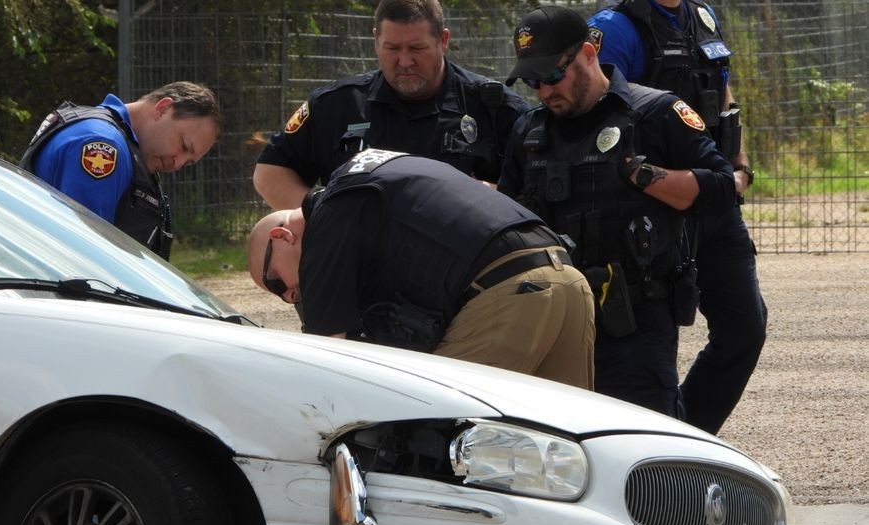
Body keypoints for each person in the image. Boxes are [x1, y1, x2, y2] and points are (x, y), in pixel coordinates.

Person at [500, 5, 736, 418]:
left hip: (634, 323)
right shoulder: (529, 131)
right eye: (532, 81)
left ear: (589, 53)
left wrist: (647, 177)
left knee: (648, 451)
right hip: (555, 321)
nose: (544, 91)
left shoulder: (657, 113)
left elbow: (721, 186)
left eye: (554, 76)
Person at [248, 149, 595, 390]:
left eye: (276, 284)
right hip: (567, 278)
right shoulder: (370, 176)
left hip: (513, 295)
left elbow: (330, 359)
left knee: (448, 440)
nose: (291, 296)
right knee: (570, 449)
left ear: (282, 237)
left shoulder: (329, 215)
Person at [589, 0, 767, 433]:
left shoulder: (701, 16)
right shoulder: (613, 28)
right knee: (653, 347)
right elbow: (603, 117)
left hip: (713, 199)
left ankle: (691, 437)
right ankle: (658, 454)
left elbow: (723, 96)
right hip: (653, 212)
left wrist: (738, 165)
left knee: (745, 328)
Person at [253, 0, 529, 210]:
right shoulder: (337, 105)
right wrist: (322, 215)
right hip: (363, 266)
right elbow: (270, 173)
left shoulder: (495, 109)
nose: (405, 61)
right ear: (376, 41)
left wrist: (488, 197)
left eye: (416, 49)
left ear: (443, 41)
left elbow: (536, 193)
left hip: (463, 268)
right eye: (392, 49)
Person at [20, 81, 222, 259]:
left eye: (187, 163)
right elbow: (84, 254)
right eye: (183, 146)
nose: (177, 164)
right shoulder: (102, 144)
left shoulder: (103, 134)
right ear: (163, 109)